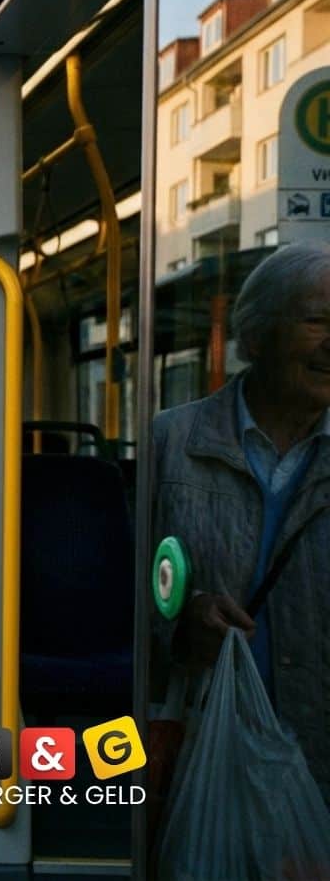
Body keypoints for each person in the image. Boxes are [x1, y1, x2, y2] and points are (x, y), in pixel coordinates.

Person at [155, 240, 330, 801]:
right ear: (256, 338)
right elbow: (125, 593)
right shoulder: (172, 442)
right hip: (204, 750)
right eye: (317, 321)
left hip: (317, 761)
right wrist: (181, 625)